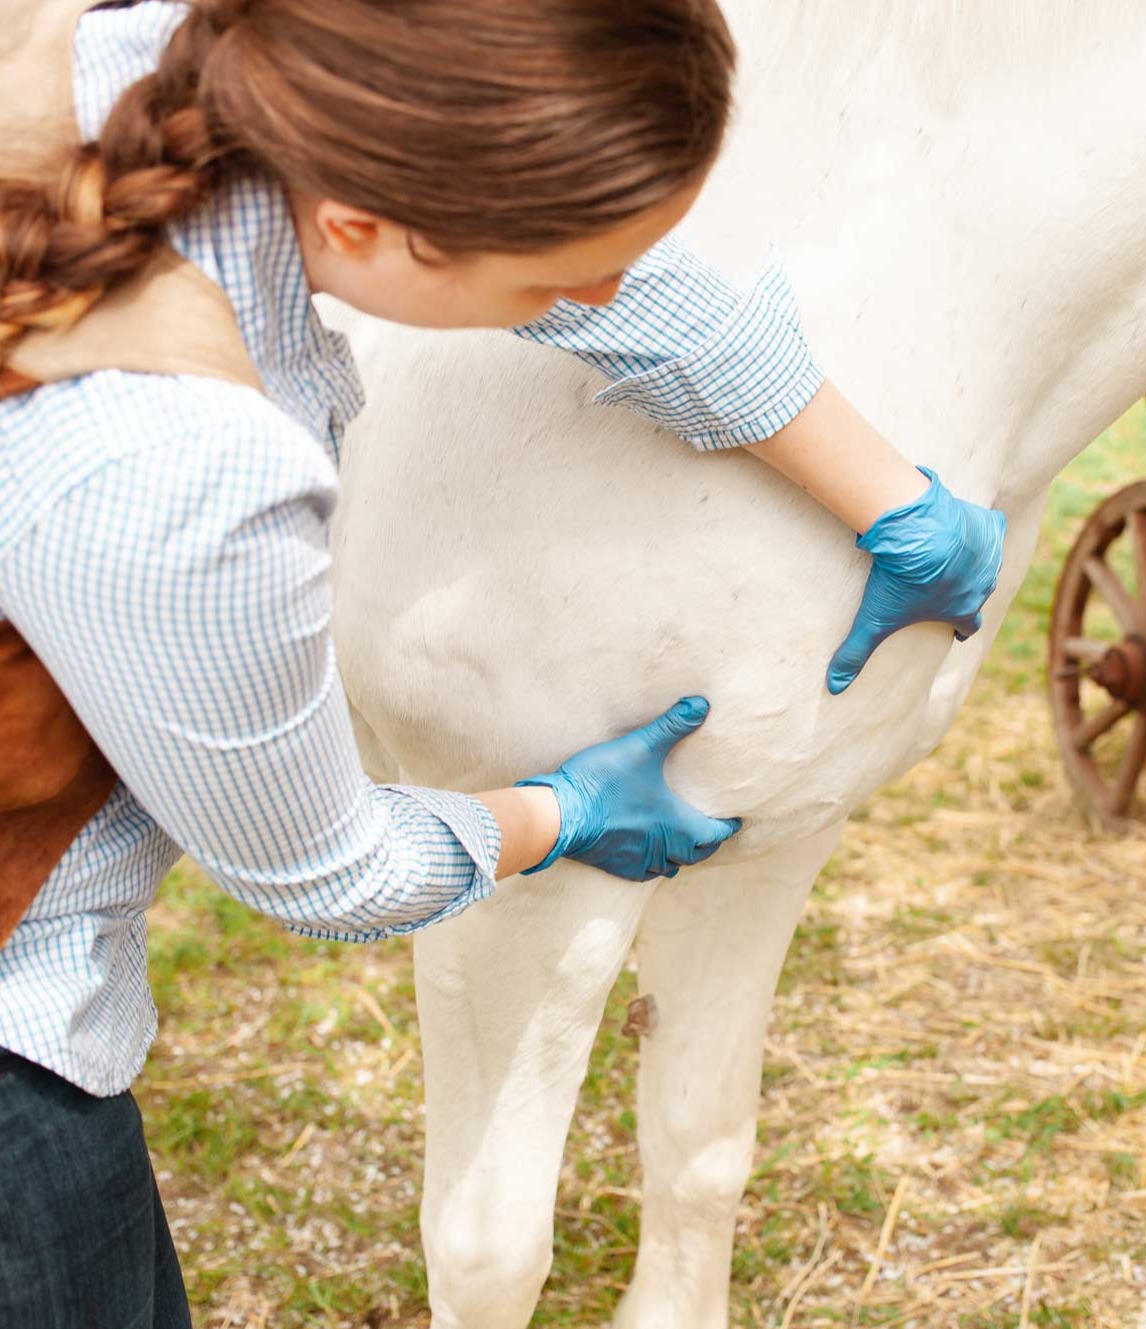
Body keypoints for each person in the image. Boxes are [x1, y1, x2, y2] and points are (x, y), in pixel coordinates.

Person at [0, 0, 1006, 1322]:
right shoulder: (184, 467)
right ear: (365, 226)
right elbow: (320, 868)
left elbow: (622, 289)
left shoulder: (202, 61)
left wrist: (885, 493)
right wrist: (560, 810)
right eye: (545, 286)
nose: (583, 305)